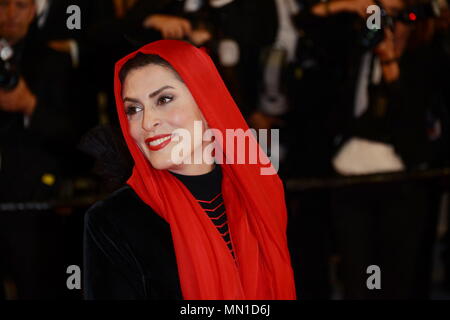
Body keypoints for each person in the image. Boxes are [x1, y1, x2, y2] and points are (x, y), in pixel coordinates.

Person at [83, 39, 297, 300]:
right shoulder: (113, 220)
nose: (147, 122)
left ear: (207, 102)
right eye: (134, 109)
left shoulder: (264, 193)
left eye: (164, 99)